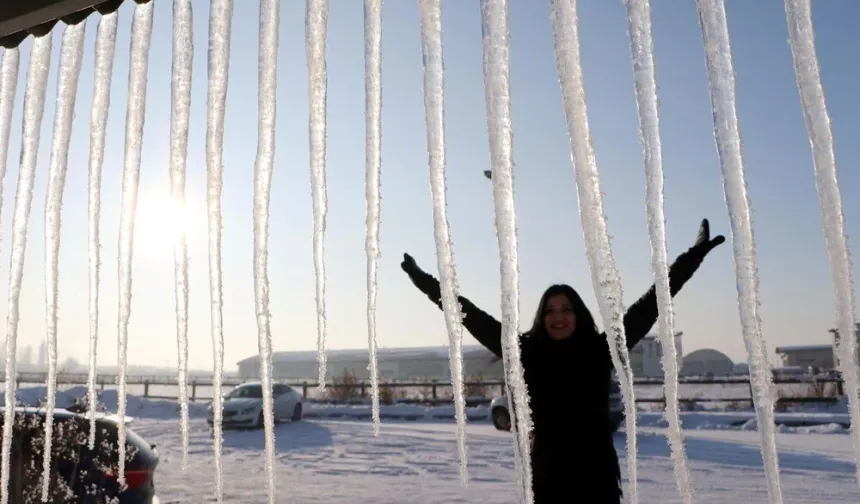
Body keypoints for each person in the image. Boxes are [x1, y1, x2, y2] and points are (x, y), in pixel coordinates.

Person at [400, 218, 725, 503]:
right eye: (551, 310)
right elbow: (468, 313)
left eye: (566, 309)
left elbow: (652, 302)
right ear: (541, 317)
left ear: (579, 314)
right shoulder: (524, 352)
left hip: (597, 480)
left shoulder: (602, 349)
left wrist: (693, 256)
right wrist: (423, 281)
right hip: (548, 478)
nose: (559, 317)